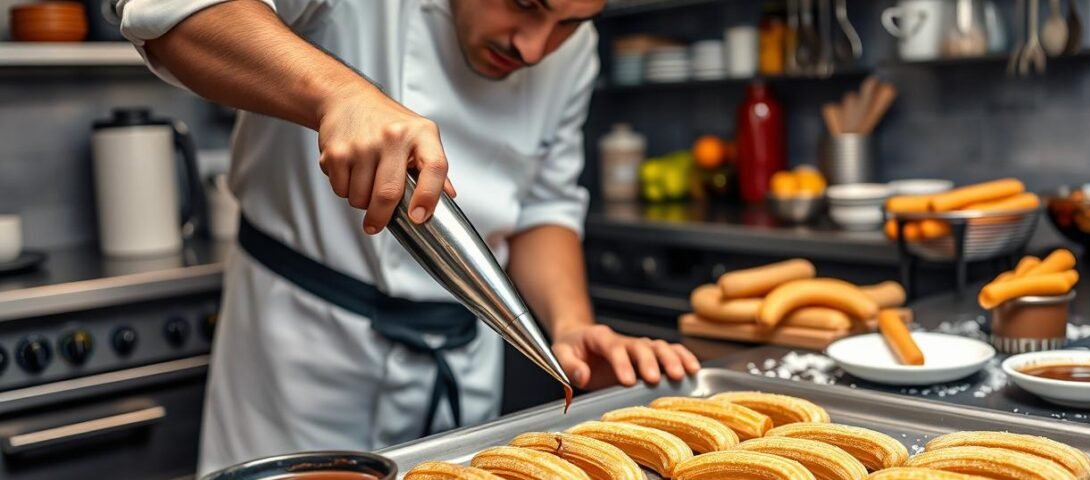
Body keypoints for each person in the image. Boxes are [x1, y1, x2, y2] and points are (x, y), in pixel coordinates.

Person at [112, 0, 700, 474]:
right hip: (304, 352)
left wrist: (570, 325)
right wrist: (336, 93)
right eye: (524, 5)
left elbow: (542, 204)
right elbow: (170, 16)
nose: (534, 47)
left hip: (462, 353)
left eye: (570, 24)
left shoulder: (571, 54)